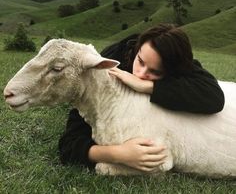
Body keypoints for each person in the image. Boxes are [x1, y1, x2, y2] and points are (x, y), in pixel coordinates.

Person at [58, 23, 225, 172]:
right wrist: (118, 154)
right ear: (137, 49)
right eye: (140, 61)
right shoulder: (110, 66)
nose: (140, 73)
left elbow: (214, 97)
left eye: (155, 72)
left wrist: (147, 86)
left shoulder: (176, 61)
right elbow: (69, 144)